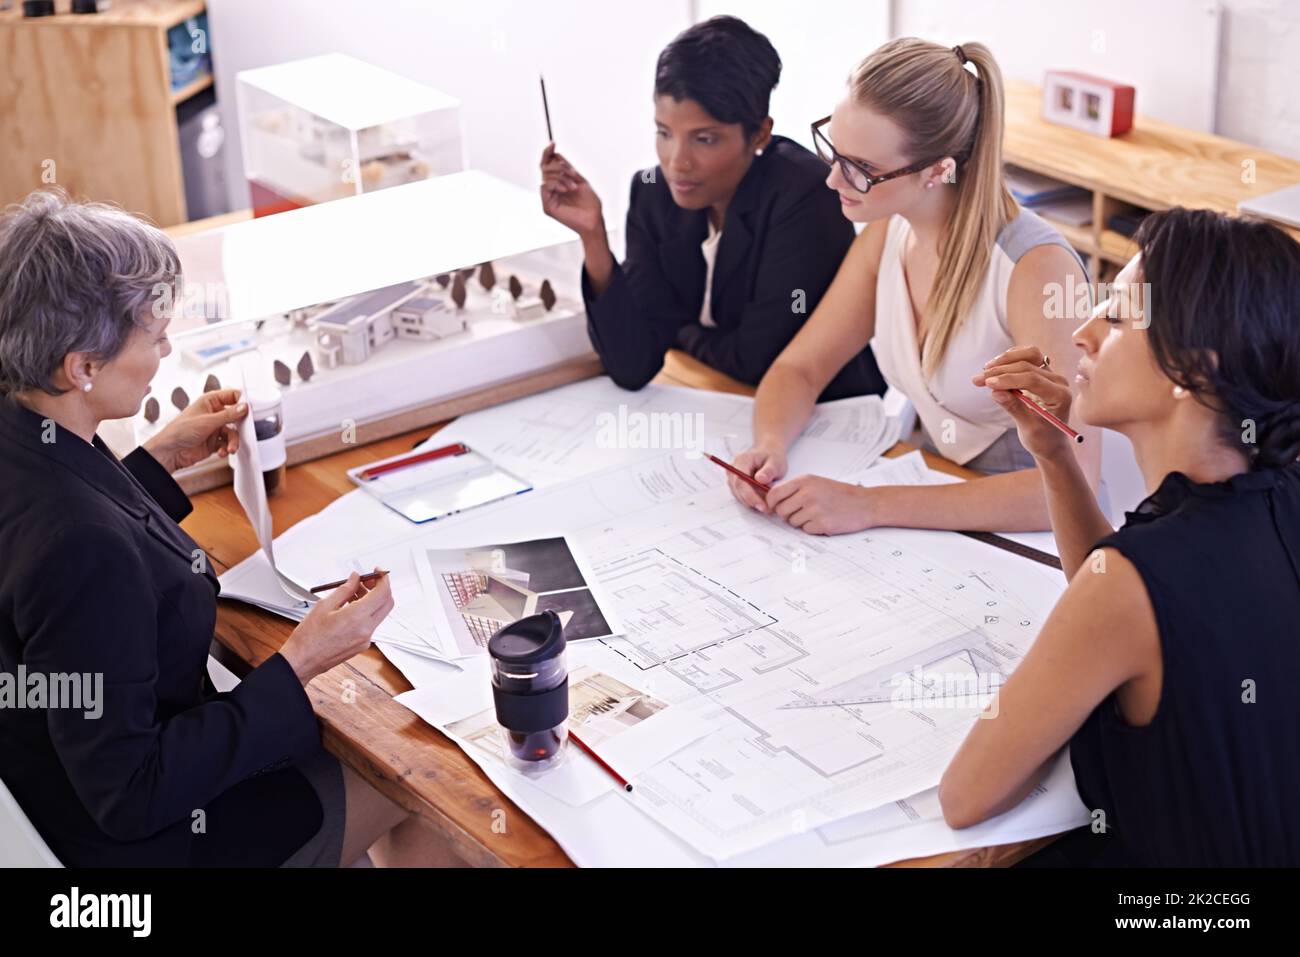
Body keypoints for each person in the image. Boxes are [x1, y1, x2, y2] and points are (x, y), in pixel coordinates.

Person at [0, 191, 457, 867]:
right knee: (418, 773)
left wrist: (156, 462)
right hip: (147, 842)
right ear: (83, 367)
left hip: (58, 785)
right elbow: (131, 791)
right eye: (152, 337)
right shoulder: (82, 548)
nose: (165, 350)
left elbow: (76, 515)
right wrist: (301, 660)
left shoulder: (31, 428)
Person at [940, 208, 1300, 866]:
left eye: (1116, 316)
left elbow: (966, 795)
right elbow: (1130, 607)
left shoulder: (1134, 581)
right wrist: (1054, 453)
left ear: (1192, 369)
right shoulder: (1274, 493)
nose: (1082, 333)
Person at [726, 38, 1100, 535]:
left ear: (938, 170)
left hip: (1024, 530)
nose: (833, 180)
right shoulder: (889, 232)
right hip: (933, 484)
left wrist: (869, 506)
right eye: (834, 151)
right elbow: (800, 367)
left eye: (862, 169)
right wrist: (769, 444)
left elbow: (1074, 485)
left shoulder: (1036, 269)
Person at [540, 15, 884, 399]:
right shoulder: (652, 194)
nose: (676, 162)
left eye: (704, 139)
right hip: (716, 406)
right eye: (664, 133)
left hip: (823, 419)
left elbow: (756, 360)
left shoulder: (804, 194)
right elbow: (632, 365)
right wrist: (594, 238)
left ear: (760, 134)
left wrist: (676, 330)